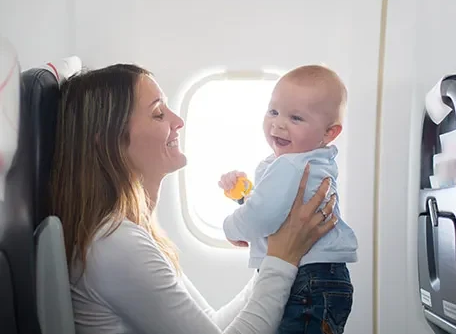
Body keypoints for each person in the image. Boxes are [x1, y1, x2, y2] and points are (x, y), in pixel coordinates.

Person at [48, 63, 339, 334]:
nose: (178, 121)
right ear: (109, 140)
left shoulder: (134, 233)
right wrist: (282, 257)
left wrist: (279, 250)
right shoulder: (114, 244)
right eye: (158, 113)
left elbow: (212, 324)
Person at [218, 64, 358, 334]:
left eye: (295, 118)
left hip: (307, 279)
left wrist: (231, 227)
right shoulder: (311, 161)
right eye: (273, 111)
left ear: (329, 133)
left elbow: (263, 216)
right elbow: (278, 209)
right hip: (323, 278)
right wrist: (244, 195)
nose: (278, 123)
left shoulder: (291, 166)